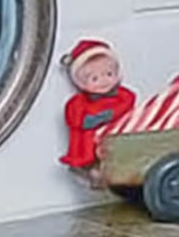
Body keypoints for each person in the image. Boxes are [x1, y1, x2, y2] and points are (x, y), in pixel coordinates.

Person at [57, 40, 134, 172]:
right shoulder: (77, 102)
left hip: (116, 138)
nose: (104, 81)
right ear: (81, 83)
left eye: (109, 74)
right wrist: (86, 121)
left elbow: (127, 103)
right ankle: (89, 163)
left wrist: (110, 114)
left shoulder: (122, 95)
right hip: (89, 143)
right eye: (95, 78)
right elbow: (74, 118)